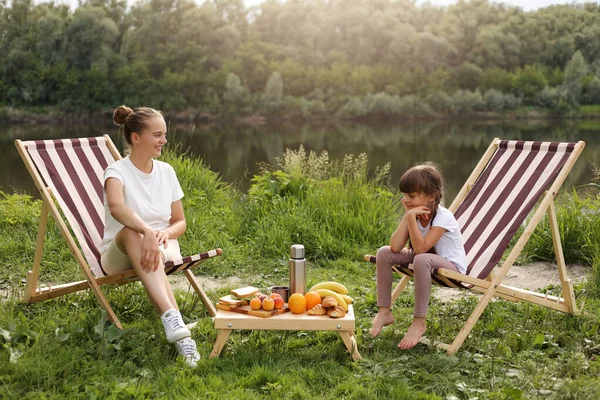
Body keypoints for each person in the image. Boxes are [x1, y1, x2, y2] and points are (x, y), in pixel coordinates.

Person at [99, 105, 200, 367]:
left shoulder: (166, 172)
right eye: (157, 135)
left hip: (164, 246)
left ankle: (178, 332)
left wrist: (163, 233)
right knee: (133, 232)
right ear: (136, 137)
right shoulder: (116, 172)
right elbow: (117, 207)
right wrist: (145, 231)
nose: (164, 141)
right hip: (119, 252)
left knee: (151, 249)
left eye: (164, 134)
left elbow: (180, 222)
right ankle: (174, 320)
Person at [370, 162, 466, 350]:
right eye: (405, 195)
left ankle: (419, 321)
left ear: (431, 196)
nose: (406, 200)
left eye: (412, 195)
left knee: (420, 258)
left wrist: (410, 219)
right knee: (384, 253)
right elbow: (396, 246)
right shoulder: (414, 214)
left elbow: (421, 249)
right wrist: (408, 216)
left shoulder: (443, 217)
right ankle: (384, 311)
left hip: (451, 266)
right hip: (424, 260)